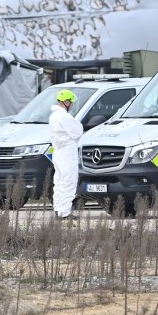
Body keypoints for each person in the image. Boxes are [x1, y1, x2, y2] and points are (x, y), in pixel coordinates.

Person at [49, 89, 85, 219]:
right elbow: (78, 132)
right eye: (71, 102)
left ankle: (58, 210)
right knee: (68, 181)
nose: (72, 104)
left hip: (58, 153)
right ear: (66, 102)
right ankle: (65, 212)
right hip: (67, 153)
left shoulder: (53, 116)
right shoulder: (64, 116)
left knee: (58, 182)